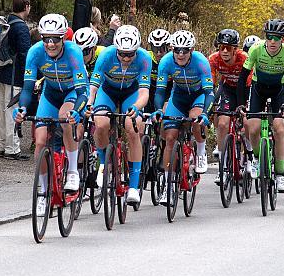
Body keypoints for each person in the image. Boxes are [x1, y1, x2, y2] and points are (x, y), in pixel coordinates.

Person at [14, 14, 89, 216]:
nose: (50, 43)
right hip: (50, 94)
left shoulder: (73, 53)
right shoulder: (35, 52)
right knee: (39, 141)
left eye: (55, 38)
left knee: (66, 118)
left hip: (73, 92)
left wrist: (77, 111)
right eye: (45, 38)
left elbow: (83, 91)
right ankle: (43, 193)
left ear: (63, 38)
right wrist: (22, 109)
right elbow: (28, 88)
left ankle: (72, 171)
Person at [88, 25, 152, 205]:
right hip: (107, 92)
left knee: (133, 128)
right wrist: (89, 104)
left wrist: (137, 108)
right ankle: (103, 164)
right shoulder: (107, 55)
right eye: (122, 53)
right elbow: (93, 87)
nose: (125, 58)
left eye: (130, 54)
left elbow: (144, 93)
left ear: (136, 50)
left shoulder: (144, 58)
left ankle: (133, 186)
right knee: (100, 124)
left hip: (131, 94)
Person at [153, 30, 214, 204]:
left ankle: (201, 152)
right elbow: (160, 91)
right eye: (177, 50)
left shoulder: (201, 62)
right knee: (170, 137)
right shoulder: (165, 62)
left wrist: (205, 113)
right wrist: (158, 109)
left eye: (185, 50)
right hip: (178, 98)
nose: (180, 54)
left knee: (196, 120)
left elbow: (209, 92)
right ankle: (167, 184)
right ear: (172, 49)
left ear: (191, 50)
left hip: (198, 96)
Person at [237, 19, 284, 193]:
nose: (272, 41)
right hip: (258, 90)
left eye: (277, 38)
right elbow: (243, 78)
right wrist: (241, 103)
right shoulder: (256, 49)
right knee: (253, 127)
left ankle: (279, 173)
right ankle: (256, 157)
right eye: (269, 37)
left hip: (278, 91)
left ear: (283, 39)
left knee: (279, 129)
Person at [208, 29, 255, 183]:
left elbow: (248, 83)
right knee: (222, 123)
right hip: (228, 89)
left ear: (236, 49)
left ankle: (249, 153)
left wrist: (242, 108)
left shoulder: (245, 59)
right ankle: (223, 165)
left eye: (229, 48)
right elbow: (211, 84)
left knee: (247, 122)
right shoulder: (214, 59)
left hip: (246, 89)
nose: (225, 51)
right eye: (222, 47)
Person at [0, 0, 31, 160]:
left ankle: (2, 145)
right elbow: (25, 55)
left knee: (3, 112)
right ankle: (12, 149)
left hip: (2, 72)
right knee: (13, 112)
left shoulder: (7, 21)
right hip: (15, 75)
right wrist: (29, 78)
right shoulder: (21, 27)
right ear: (26, 6)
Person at [146, 29, 172, 113]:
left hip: (169, 90)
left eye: (162, 49)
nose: (158, 53)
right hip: (150, 90)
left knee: (166, 112)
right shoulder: (146, 58)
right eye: (155, 48)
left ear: (169, 47)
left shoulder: (174, 59)